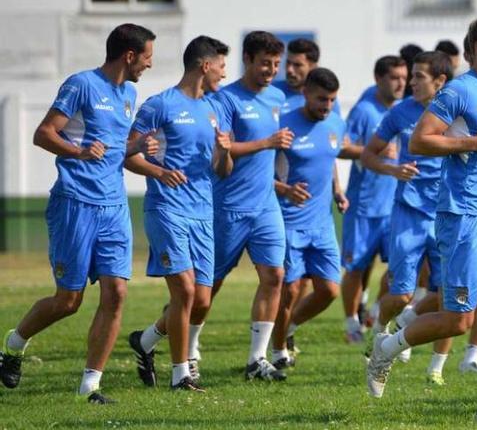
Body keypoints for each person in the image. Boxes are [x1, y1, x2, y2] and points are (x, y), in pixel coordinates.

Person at [366, 11, 477, 426]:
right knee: (460, 320)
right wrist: (474, 141)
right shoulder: (458, 91)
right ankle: (387, 348)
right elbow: (420, 141)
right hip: (463, 217)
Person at [0, 24, 157, 403]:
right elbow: (43, 133)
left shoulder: (129, 94)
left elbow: (113, 148)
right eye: (148, 58)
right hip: (75, 203)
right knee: (68, 301)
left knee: (116, 292)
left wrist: (136, 146)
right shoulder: (81, 84)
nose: (149, 66)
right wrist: (78, 152)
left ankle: (91, 387)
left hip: (115, 206)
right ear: (130, 55)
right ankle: (13, 344)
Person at [124, 35, 233, 391]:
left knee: (201, 299)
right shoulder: (160, 106)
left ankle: (146, 342)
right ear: (205, 65)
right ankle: (180, 374)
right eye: (221, 65)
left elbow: (222, 170)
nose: (224, 72)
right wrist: (159, 172)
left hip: (203, 212)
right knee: (185, 293)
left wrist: (225, 152)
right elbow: (129, 154)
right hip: (167, 210)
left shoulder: (214, 109)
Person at [188, 31, 290, 382]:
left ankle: (256, 359)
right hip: (229, 206)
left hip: (266, 205)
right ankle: (187, 350)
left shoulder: (277, 96)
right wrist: (267, 142)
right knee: (207, 287)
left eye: (276, 64)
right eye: (265, 63)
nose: (271, 70)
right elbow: (225, 150)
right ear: (247, 59)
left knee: (275, 276)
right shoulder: (226, 99)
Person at [361, 51, 452, 381]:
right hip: (409, 212)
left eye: (418, 77)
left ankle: (436, 369)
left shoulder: (458, 112)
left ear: (440, 81)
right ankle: (380, 333)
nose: (410, 82)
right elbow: (369, 155)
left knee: (449, 298)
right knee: (400, 293)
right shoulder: (400, 113)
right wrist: (392, 168)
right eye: (410, 76)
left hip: (446, 213)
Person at [269, 68, 353, 369]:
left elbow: (328, 159)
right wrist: (286, 190)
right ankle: (278, 351)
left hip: (323, 224)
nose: (326, 106)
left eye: (331, 100)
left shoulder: (335, 123)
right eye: (321, 99)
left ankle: (288, 328)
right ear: (305, 93)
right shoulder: (283, 126)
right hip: (289, 221)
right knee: (290, 290)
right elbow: (261, 174)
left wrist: (338, 191)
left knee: (329, 290)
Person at [338, 56, 407, 343]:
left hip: (396, 205)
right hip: (364, 205)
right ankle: (351, 322)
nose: (401, 83)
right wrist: (372, 150)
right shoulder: (365, 111)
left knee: (398, 267)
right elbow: (341, 148)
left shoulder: (405, 111)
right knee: (355, 268)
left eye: (404, 77)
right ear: (378, 79)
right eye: (394, 77)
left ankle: (377, 309)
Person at [274, 38, 341, 115]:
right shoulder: (270, 91)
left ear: (313, 67)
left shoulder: (326, 99)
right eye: (288, 63)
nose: (290, 70)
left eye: (297, 65)